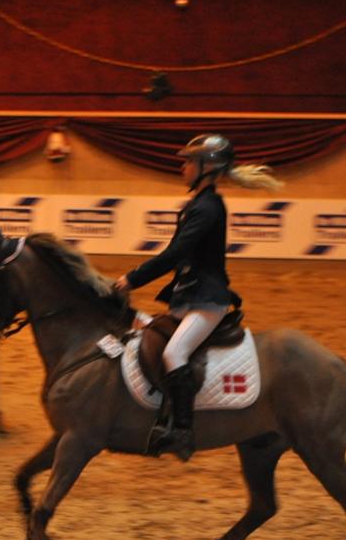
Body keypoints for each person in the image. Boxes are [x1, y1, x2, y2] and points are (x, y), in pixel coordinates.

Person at [114, 133, 283, 459]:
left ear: (208, 168)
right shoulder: (197, 205)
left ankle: (183, 433)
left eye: (189, 162)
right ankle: (160, 417)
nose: (183, 167)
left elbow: (176, 253)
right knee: (148, 333)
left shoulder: (208, 208)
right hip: (189, 297)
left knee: (174, 354)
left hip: (208, 301)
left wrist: (131, 279)